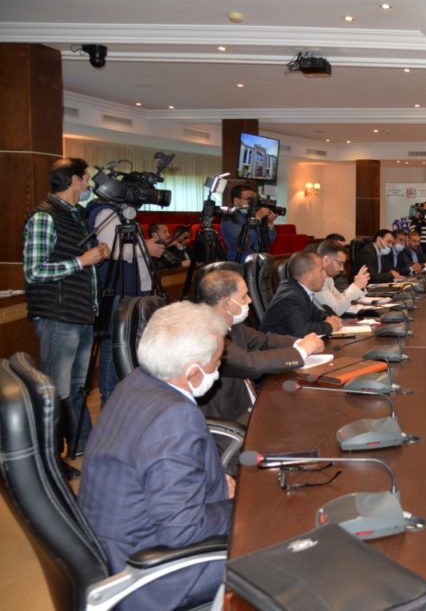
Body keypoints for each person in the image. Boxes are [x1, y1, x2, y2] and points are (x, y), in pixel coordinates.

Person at [78, 301, 233, 611]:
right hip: (156, 575)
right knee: (280, 540)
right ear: (192, 372)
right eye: (217, 362)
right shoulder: (174, 417)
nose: (218, 370)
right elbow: (183, 530)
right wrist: (235, 504)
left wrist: (215, 486)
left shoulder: (134, 383)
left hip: (117, 548)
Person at [23, 157, 110, 458]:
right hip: (58, 316)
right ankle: (48, 458)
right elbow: (34, 271)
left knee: (76, 388)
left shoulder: (75, 215)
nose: (89, 185)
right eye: (86, 178)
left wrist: (95, 254)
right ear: (75, 180)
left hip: (79, 313)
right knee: (55, 391)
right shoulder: (44, 216)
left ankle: (82, 447)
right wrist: (82, 261)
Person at [197, 268, 325, 422]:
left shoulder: (233, 325)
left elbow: (265, 340)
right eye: (243, 296)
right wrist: (301, 351)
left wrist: (300, 342)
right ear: (226, 304)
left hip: (251, 404)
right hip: (230, 420)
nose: (250, 300)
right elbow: (250, 364)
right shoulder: (205, 335)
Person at [87, 193, 166, 404]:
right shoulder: (105, 212)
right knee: (114, 345)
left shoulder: (123, 214)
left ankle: (131, 398)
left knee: (133, 345)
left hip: (135, 290)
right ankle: (110, 400)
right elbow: (110, 250)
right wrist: (145, 248)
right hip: (118, 290)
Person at [261, 251, 342, 338]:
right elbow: (301, 331)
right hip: (276, 345)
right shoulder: (291, 298)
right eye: (321, 270)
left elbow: (315, 314)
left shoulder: (300, 290)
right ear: (309, 276)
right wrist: (329, 326)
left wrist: (330, 318)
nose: (325, 275)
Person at [312, 239, 370, 315]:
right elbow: (336, 310)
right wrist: (356, 286)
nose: (342, 269)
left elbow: (339, 298)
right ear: (326, 260)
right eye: (340, 264)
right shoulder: (316, 280)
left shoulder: (328, 278)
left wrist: (360, 286)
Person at [221, 184, 278, 262]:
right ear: (236, 201)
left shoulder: (254, 215)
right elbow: (243, 244)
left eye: (254, 199)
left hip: (258, 260)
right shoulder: (229, 218)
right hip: (239, 261)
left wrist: (269, 223)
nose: (252, 202)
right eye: (249, 199)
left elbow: (268, 243)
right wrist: (257, 218)